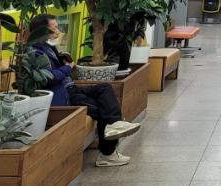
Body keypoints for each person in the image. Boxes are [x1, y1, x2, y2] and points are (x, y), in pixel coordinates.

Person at [29, 14, 141, 167]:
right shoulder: (36, 52)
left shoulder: (49, 48)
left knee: (104, 88)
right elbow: (49, 77)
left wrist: (64, 61)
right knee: (103, 110)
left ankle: (114, 124)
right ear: (42, 30)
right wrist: (67, 68)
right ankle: (107, 154)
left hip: (71, 88)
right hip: (65, 96)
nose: (58, 31)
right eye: (54, 28)